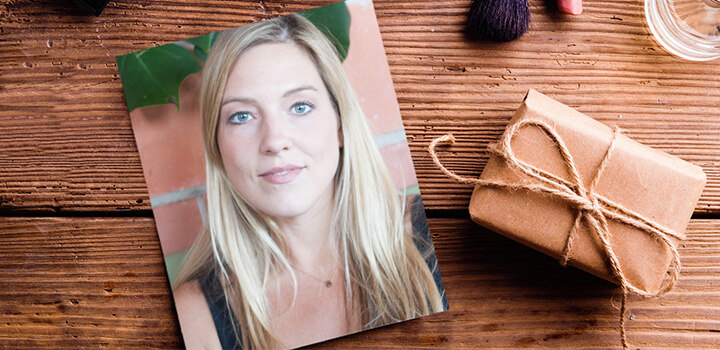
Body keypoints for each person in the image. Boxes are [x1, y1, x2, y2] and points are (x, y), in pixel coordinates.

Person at [173, 13, 446, 350]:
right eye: (241, 116)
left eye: (300, 106)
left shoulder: (437, 231)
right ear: (217, 147)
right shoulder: (195, 316)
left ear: (340, 124)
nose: (274, 140)